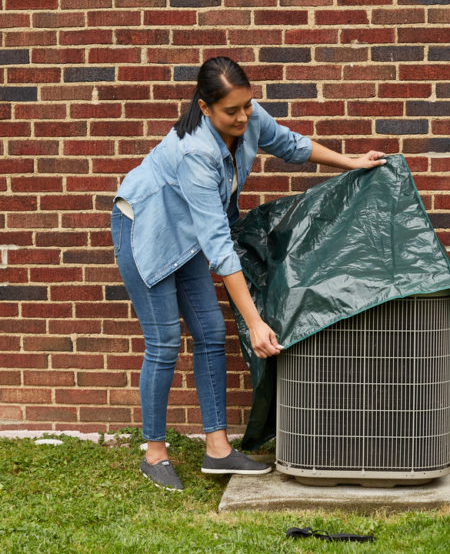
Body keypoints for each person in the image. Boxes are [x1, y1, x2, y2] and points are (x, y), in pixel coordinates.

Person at [110, 56, 385, 491]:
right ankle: (154, 453)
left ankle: (217, 448)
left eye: (247, 105)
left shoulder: (250, 118)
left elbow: (291, 144)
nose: (243, 117)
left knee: (210, 333)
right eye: (230, 111)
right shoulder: (195, 154)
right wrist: (256, 322)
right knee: (163, 342)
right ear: (205, 108)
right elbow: (219, 245)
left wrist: (351, 162)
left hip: (187, 235)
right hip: (145, 229)